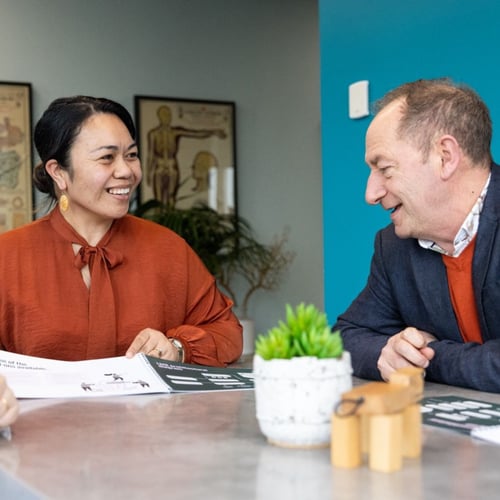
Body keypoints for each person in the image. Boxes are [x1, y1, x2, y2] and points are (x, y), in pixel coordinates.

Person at [0, 95, 242, 366]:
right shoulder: (7, 256)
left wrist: (177, 348)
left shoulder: (168, 248)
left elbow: (228, 332)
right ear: (58, 172)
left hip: (152, 410)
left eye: (131, 155)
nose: (127, 171)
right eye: (107, 157)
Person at [334, 77, 500, 392]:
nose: (371, 193)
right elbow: (346, 335)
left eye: (384, 169)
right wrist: (387, 353)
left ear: (445, 157)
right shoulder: (394, 247)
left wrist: (427, 359)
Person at [146, 105, 226, 208]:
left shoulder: (175, 132)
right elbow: (151, 154)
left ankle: (169, 222)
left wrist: (213, 132)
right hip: (159, 167)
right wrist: (148, 172)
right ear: (159, 116)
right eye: (165, 115)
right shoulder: (153, 134)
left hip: (172, 167)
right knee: (157, 201)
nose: (167, 117)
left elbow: (195, 133)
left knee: (171, 198)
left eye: (169, 115)